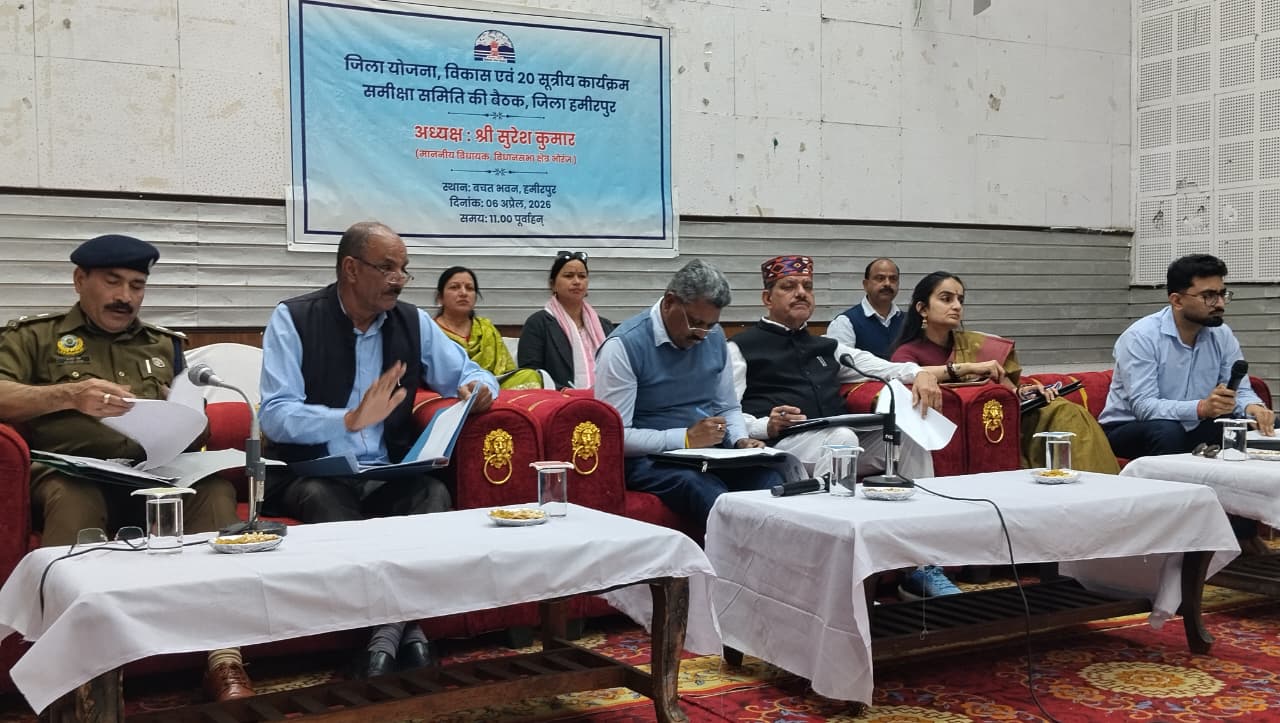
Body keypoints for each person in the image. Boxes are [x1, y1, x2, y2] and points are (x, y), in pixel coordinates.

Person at [0, 234, 253, 702]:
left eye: (137, 286)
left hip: (150, 474)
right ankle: (69, 668)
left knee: (214, 490)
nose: (125, 297)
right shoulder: (34, 337)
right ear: (80, 280)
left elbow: (189, 418)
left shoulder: (163, 344)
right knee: (75, 498)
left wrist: (186, 421)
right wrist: (68, 394)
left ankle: (225, 657)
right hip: (69, 474)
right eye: (112, 282)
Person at [259, 221, 498, 678]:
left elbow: (469, 371)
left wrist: (479, 387)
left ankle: (385, 635)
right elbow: (275, 413)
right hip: (315, 471)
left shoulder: (412, 321)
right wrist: (345, 420)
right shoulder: (294, 318)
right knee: (324, 498)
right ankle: (404, 632)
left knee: (432, 493)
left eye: (404, 269)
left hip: (388, 470)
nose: (399, 280)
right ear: (351, 269)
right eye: (387, 268)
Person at [731, 255, 958, 600]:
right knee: (842, 439)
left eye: (807, 287)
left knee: (908, 437)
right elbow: (728, 411)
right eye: (789, 287)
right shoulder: (740, 348)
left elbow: (885, 368)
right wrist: (765, 425)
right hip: (784, 445)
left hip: (839, 441)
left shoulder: (828, 347)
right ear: (767, 298)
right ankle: (835, 577)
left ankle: (920, 565)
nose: (801, 293)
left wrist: (921, 374)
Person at [1099, 254, 1275, 552]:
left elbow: (1240, 390)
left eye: (1223, 294)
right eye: (1209, 296)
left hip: (1194, 426)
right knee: (1167, 431)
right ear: (1177, 300)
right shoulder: (1141, 337)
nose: (1219, 303)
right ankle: (1174, 541)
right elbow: (1145, 406)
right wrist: (1201, 408)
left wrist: (1252, 408)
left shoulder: (1221, 334)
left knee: (1254, 430)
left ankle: (1242, 534)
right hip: (1129, 429)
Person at [594, 259, 783, 524]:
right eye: (695, 322)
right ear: (670, 302)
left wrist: (740, 441)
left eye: (711, 324)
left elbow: (727, 406)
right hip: (648, 461)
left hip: (707, 454)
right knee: (706, 490)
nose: (702, 334)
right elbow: (616, 436)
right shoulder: (623, 346)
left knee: (769, 481)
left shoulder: (714, 337)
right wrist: (685, 438)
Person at [891, 271, 1120, 475]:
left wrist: (1027, 392)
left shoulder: (974, 344)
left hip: (1004, 421)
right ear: (922, 308)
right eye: (946, 299)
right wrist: (968, 368)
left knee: (1066, 411)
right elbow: (904, 374)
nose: (957, 306)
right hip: (955, 431)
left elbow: (1010, 390)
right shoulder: (908, 352)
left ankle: (1097, 487)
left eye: (960, 300)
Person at [433, 266, 543, 389]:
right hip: (450, 390)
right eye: (454, 287)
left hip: (492, 387)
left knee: (529, 375)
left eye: (469, 288)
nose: (463, 293)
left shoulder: (486, 328)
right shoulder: (431, 331)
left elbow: (507, 370)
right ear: (440, 297)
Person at [518, 250, 614, 390]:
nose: (577, 282)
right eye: (569, 276)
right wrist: (565, 392)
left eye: (582, 276)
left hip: (604, 398)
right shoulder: (538, 324)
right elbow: (531, 375)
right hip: (559, 400)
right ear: (552, 284)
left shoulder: (604, 326)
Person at [827, 257, 905, 359]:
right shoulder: (845, 323)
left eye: (893, 279)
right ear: (866, 285)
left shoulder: (908, 321)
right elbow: (842, 364)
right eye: (880, 278)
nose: (887, 283)